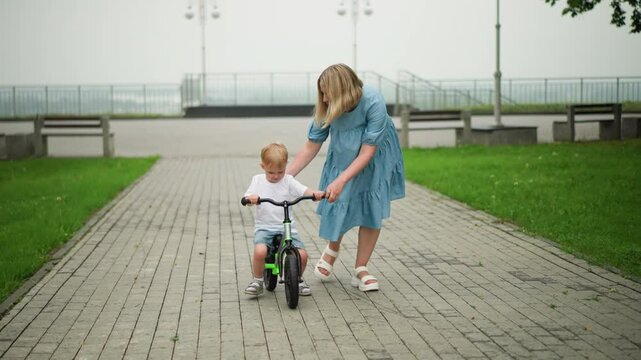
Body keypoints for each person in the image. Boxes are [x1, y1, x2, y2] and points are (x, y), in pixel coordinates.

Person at [286, 63, 405, 292]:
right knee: (338, 199)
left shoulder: (373, 101)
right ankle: (332, 249)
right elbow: (312, 146)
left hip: (374, 155)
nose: (323, 97)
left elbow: (368, 151)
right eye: (320, 92)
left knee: (371, 205)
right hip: (343, 152)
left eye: (326, 92)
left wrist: (342, 180)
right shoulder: (327, 107)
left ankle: (361, 268)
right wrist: (283, 177)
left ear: (341, 90)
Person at [243, 142, 324, 296]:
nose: (276, 176)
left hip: (287, 228)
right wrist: (250, 199)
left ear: (286, 165)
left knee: (303, 255)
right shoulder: (258, 180)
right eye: (271, 172)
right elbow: (247, 196)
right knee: (260, 252)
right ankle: (257, 280)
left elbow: (303, 190)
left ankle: (298, 280)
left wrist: (314, 194)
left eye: (280, 171)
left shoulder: (288, 180)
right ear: (263, 167)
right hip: (265, 227)